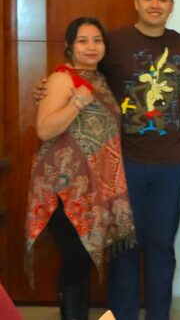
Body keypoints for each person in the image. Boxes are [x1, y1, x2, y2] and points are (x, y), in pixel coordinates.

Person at [26, 18, 135, 320]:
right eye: (83, 41)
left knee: (82, 259)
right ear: (69, 46)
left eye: (97, 40)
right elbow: (45, 129)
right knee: (75, 260)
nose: (91, 47)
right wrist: (77, 103)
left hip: (90, 190)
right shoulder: (64, 78)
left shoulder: (99, 79)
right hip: (65, 189)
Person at [104, 0, 180, 320]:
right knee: (124, 247)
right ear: (136, 2)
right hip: (125, 162)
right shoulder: (114, 42)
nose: (155, 5)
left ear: (171, 5)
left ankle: (159, 315)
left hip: (171, 164)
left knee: (161, 248)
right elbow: (84, 76)